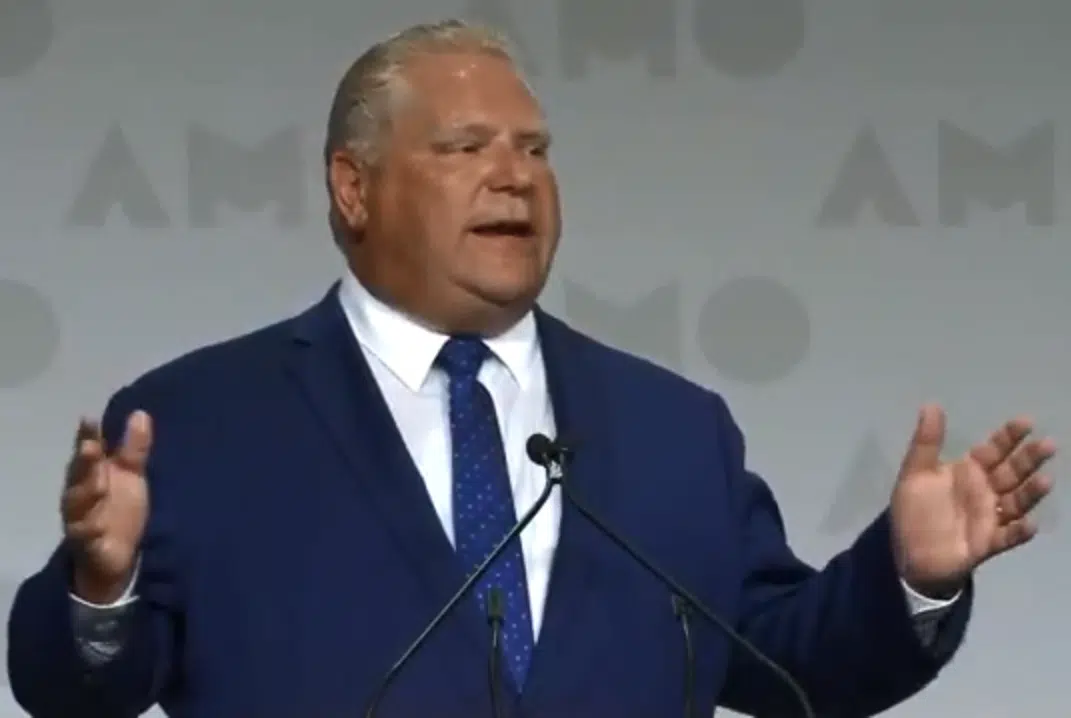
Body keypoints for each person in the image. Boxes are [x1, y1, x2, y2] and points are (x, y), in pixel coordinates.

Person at [6, 19, 1056, 718]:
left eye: (536, 150)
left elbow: (795, 666)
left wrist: (910, 577)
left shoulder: (672, 429)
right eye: (466, 148)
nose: (514, 177)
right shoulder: (199, 422)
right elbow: (74, 692)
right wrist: (102, 588)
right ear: (353, 187)